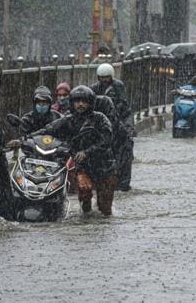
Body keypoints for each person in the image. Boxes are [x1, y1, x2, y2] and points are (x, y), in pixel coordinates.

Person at [38, 86, 116, 215]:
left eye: (84, 101)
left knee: (105, 208)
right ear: (72, 103)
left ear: (90, 103)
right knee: (84, 192)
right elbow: (47, 130)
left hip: (104, 165)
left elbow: (107, 139)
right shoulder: (68, 120)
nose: (80, 104)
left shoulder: (100, 119)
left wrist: (87, 151)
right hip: (83, 166)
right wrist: (23, 139)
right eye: (77, 101)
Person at [91, 63, 134, 191]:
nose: (104, 80)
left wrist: (120, 120)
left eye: (107, 77)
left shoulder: (118, 86)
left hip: (119, 121)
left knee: (126, 149)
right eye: (102, 77)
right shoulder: (94, 88)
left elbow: (124, 104)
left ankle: (123, 182)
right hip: (101, 124)